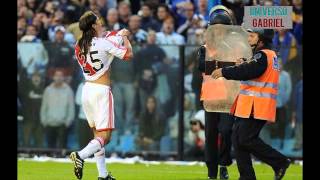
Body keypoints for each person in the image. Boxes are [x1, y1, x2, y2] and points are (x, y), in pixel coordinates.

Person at [211, 28, 291, 180]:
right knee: (237, 138)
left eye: (252, 36)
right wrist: (245, 63)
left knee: (245, 139)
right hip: (251, 105)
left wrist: (225, 71)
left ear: (261, 40)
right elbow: (253, 71)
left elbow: (248, 72)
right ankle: (247, 177)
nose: (248, 38)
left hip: (255, 105)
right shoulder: (268, 55)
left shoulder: (262, 55)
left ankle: (280, 162)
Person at [70, 11, 133, 180]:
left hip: (87, 90)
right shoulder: (103, 43)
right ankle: (81, 155)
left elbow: (105, 40)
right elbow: (128, 54)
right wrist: (125, 37)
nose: (101, 22)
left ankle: (103, 174)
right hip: (101, 91)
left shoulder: (78, 45)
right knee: (105, 136)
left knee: (97, 135)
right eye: (97, 21)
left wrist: (115, 35)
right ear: (93, 26)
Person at [197, 5, 237, 179]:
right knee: (210, 135)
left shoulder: (235, 46)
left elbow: (239, 66)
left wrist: (217, 66)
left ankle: (224, 163)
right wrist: (226, 66)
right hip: (211, 97)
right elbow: (201, 66)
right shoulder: (204, 48)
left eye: (223, 29)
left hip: (228, 96)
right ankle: (212, 171)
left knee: (227, 131)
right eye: (217, 29)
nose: (219, 32)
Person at [40, 70, 75, 148]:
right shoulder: (48, 90)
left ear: (63, 78)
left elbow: (71, 107)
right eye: (57, 75)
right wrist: (44, 120)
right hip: (49, 123)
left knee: (62, 148)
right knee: (50, 147)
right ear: (53, 77)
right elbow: (44, 106)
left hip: (62, 124)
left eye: (60, 76)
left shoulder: (68, 90)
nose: (58, 78)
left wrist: (68, 121)